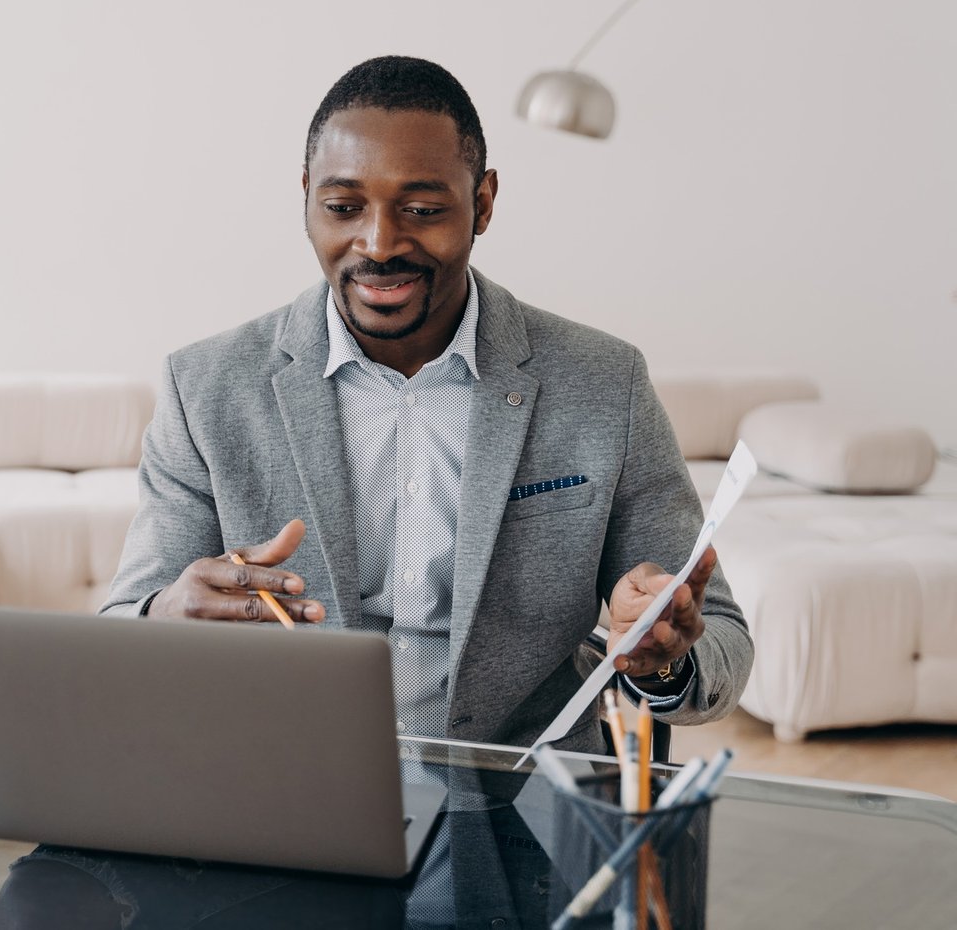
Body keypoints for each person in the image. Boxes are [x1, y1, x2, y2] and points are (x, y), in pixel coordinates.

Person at [99, 56, 752, 752]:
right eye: (344, 207)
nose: (379, 243)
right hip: (284, 790)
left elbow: (719, 639)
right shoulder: (204, 387)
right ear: (306, 197)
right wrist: (165, 617)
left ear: (485, 203)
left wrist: (664, 657)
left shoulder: (604, 382)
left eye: (422, 210)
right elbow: (123, 633)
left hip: (524, 799)